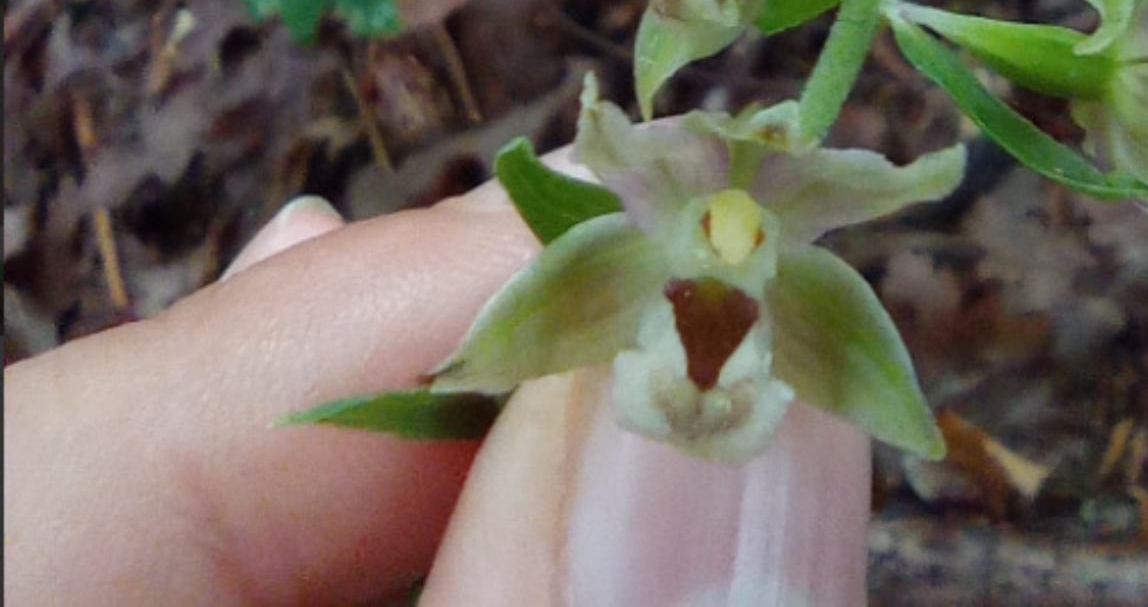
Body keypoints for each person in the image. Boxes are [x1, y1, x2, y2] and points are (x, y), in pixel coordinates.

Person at [3, 172, 870, 604]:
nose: (712, 287)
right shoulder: (615, 267)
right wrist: (482, 366)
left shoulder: (801, 294)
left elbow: (874, 376)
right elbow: (532, 314)